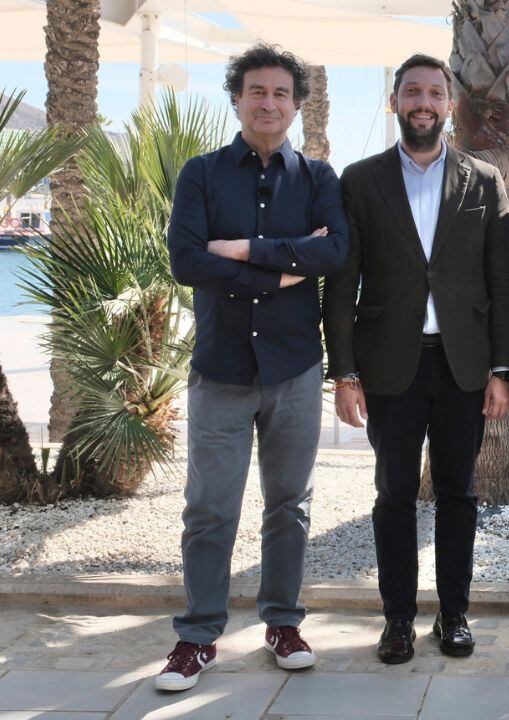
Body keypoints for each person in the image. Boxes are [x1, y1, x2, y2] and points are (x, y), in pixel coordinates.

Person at [160, 43, 349, 691]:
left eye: (281, 94)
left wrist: (242, 252)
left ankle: (282, 622)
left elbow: (337, 254)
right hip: (221, 368)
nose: (269, 103)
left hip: (295, 369)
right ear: (237, 98)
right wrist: (285, 271)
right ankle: (197, 636)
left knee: (289, 505)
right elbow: (186, 262)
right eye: (257, 91)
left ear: (297, 105)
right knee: (210, 508)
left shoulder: (320, 180)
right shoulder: (201, 174)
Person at [323, 53, 509, 665]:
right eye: (413, 91)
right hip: (389, 367)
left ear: (449, 104)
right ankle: (398, 621)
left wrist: (501, 370)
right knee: (394, 494)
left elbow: (501, 284)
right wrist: (345, 372)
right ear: (395, 102)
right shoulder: (359, 180)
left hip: (463, 367)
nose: (424, 102)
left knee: (459, 494)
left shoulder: (484, 180)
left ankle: (454, 615)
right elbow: (341, 286)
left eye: (435, 91)